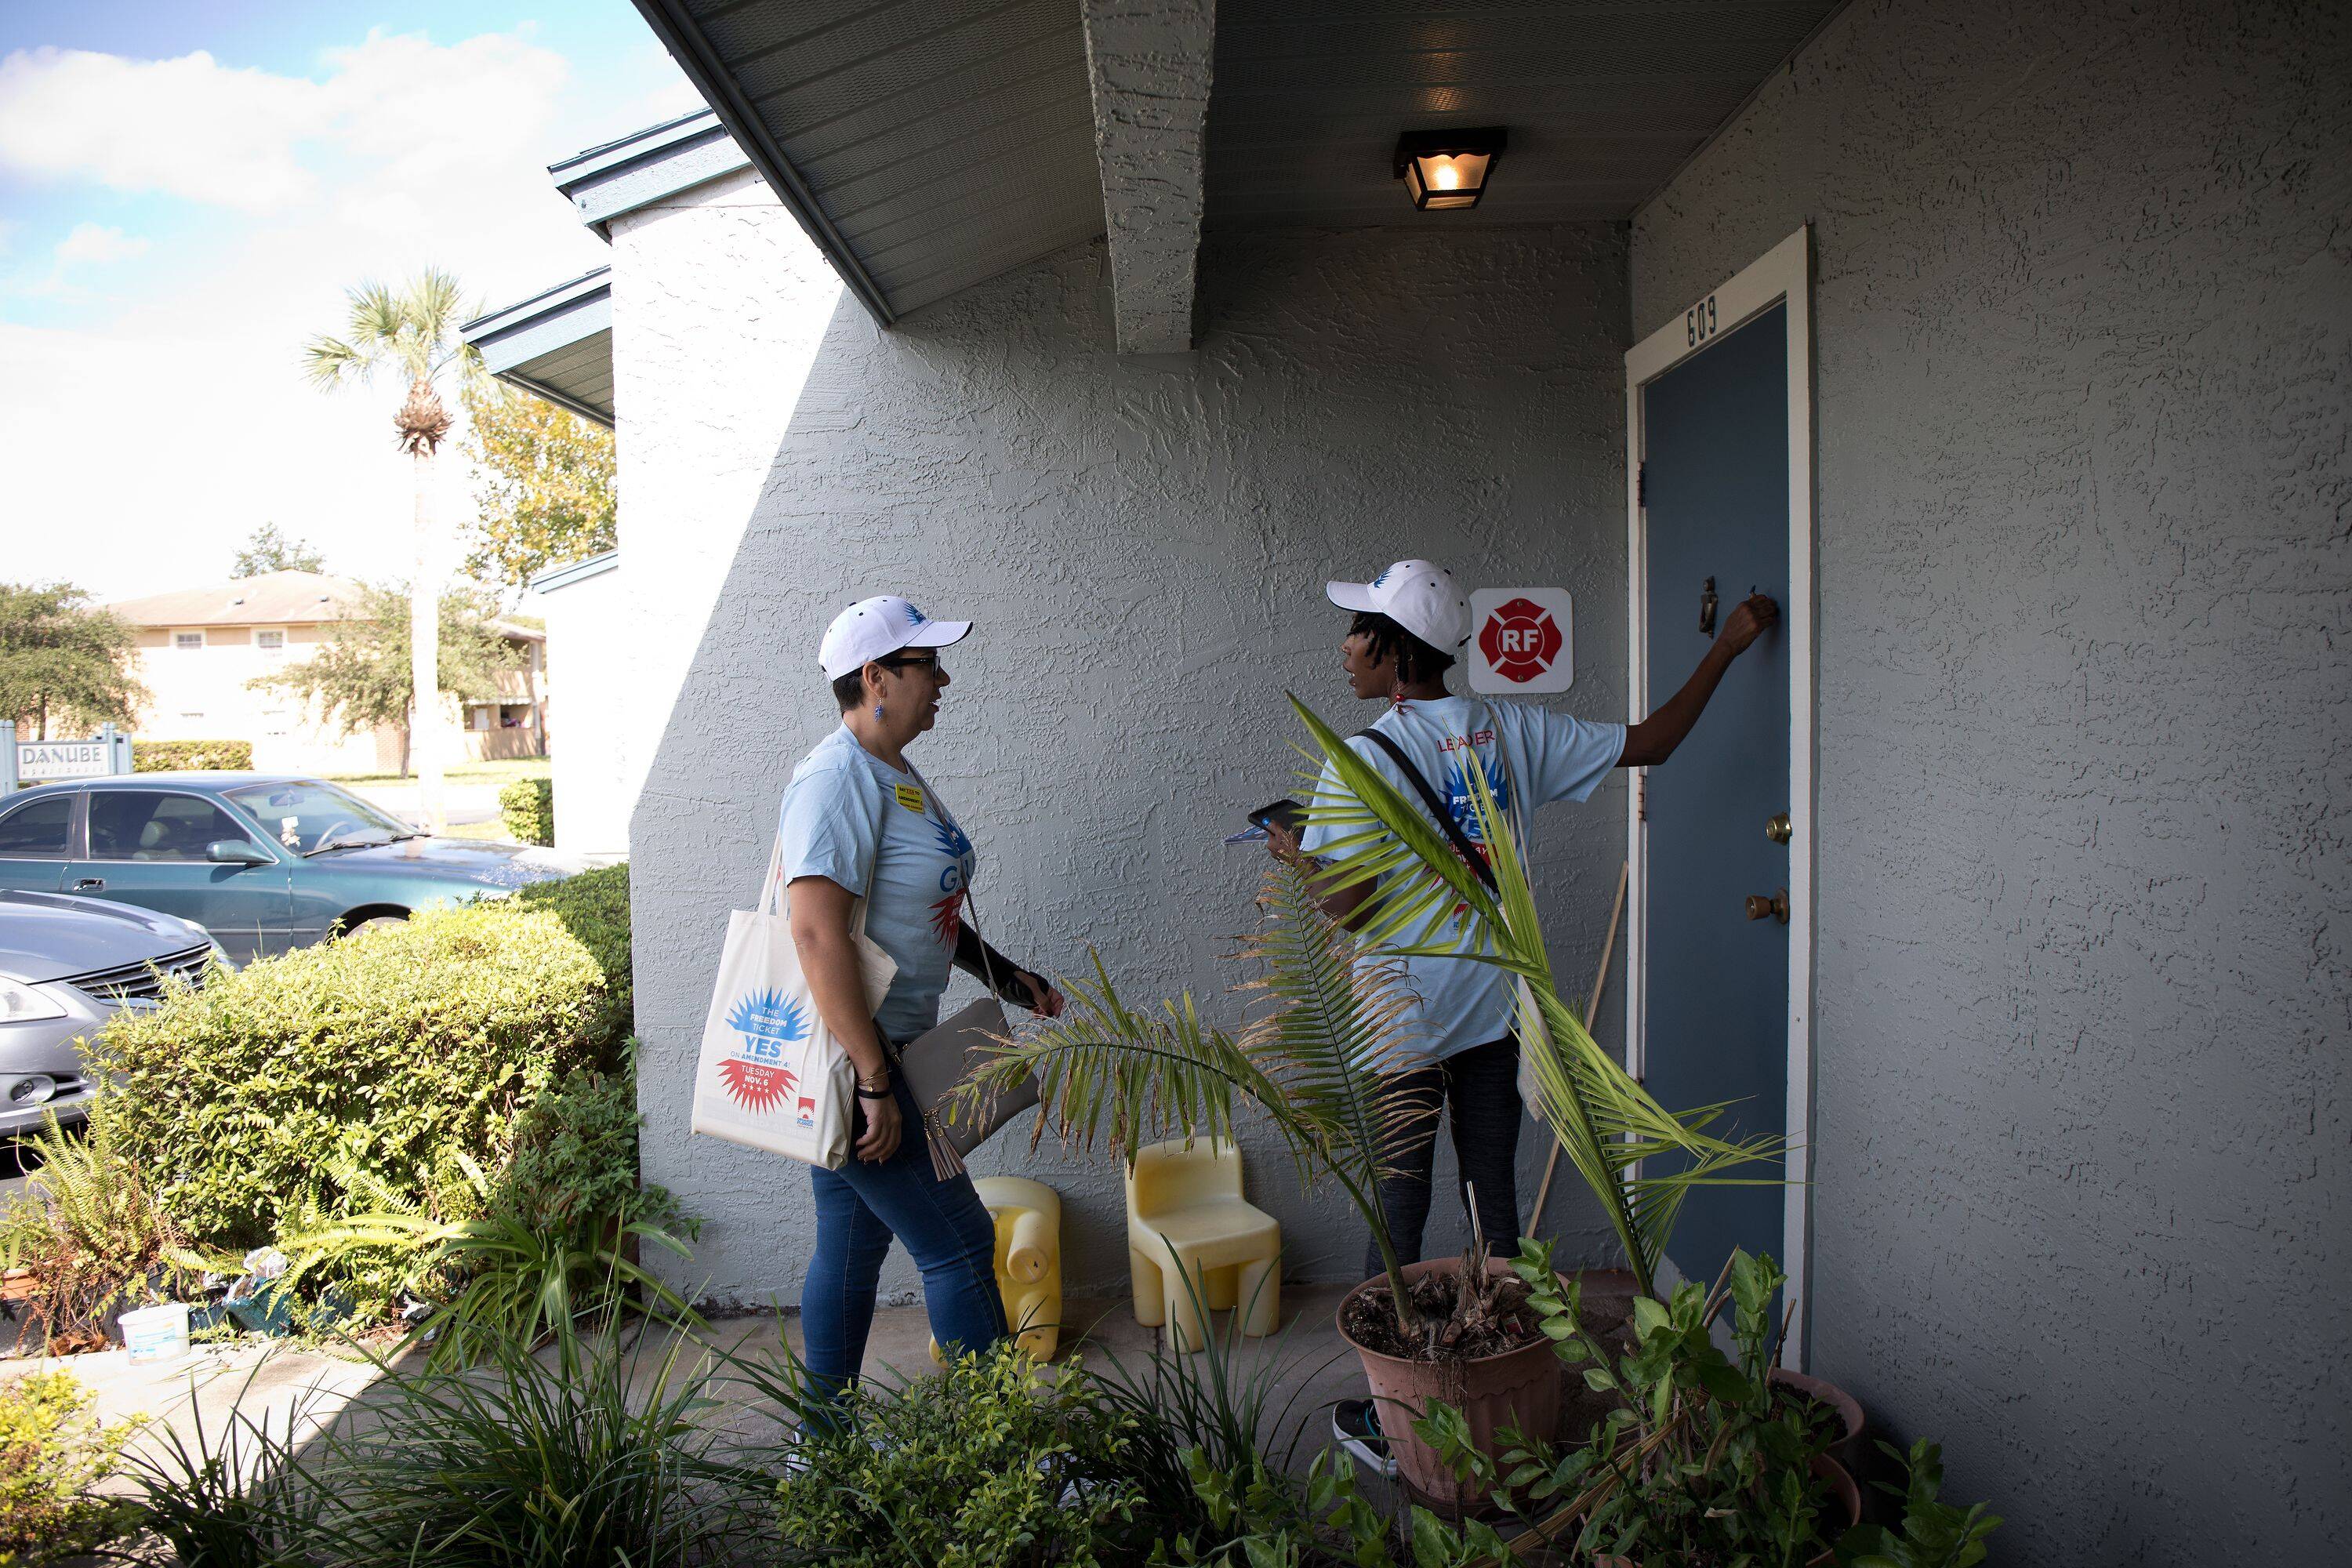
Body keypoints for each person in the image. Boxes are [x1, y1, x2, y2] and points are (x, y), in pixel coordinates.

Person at [1272, 557, 1773, 1354]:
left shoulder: (1357, 760)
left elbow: (1350, 904)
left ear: (1395, 652)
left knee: (1397, 1208)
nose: (1344, 647)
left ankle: (1389, 1402)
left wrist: (1299, 856)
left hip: (1400, 1023)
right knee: (1493, 1202)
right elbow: (1657, 742)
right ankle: (1506, 1371)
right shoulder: (1512, 729)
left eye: (1357, 631)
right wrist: (1727, 647)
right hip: (1495, 1012)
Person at [778, 593, 1065, 1415]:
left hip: (891, 1044)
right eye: (925, 664)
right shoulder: (834, 777)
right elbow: (814, 932)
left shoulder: (893, 772)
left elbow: (927, 913)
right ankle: (1004, 1454)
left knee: (853, 1242)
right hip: (864, 1057)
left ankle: (820, 1446)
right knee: (965, 1244)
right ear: (874, 676)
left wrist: (1006, 976)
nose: (943, 678)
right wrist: (873, 1078)